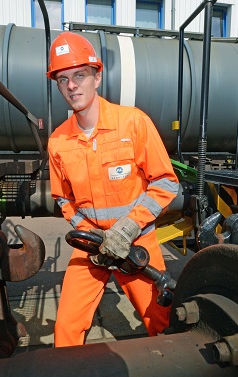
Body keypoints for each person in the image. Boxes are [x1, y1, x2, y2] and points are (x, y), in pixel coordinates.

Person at [46, 32, 180, 347]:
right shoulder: (58, 142)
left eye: (79, 75)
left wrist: (127, 229)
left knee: (163, 324)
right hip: (92, 249)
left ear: (97, 76)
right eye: (63, 80)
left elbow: (165, 181)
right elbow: (63, 198)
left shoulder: (132, 123)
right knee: (66, 330)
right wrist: (92, 236)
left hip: (136, 241)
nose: (72, 86)